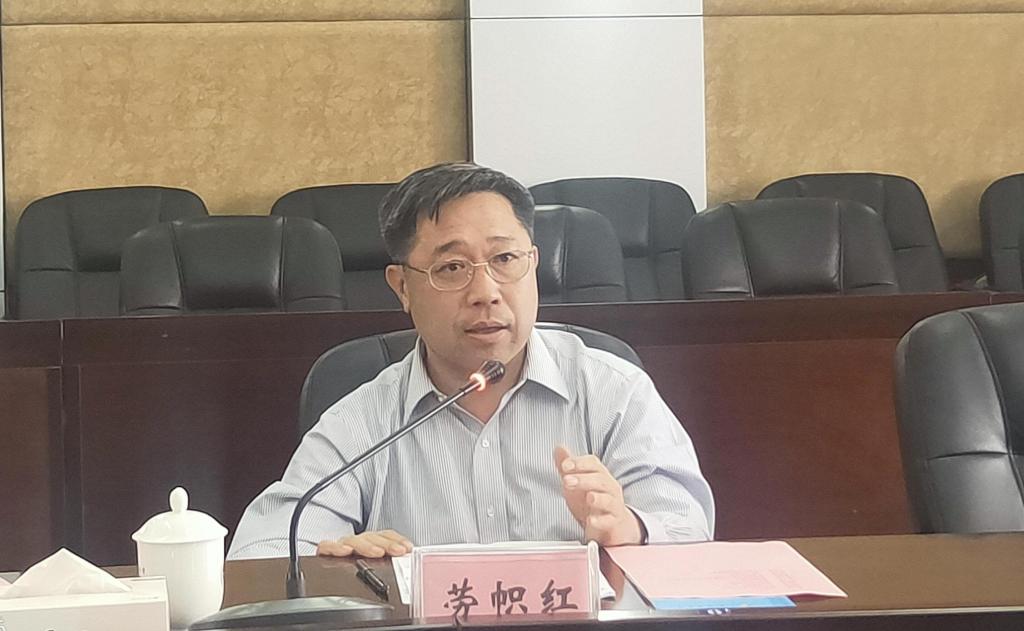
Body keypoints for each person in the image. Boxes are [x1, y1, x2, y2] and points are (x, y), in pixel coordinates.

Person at [228, 163, 713, 559]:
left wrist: (631, 527)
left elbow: (689, 525)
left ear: (533, 264)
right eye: (452, 268)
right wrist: (332, 564)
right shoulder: (364, 420)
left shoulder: (612, 390)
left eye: (505, 260)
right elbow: (260, 553)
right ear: (402, 287)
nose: (486, 293)